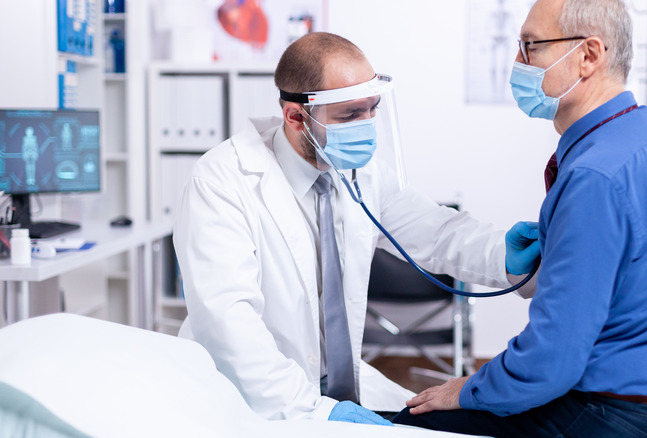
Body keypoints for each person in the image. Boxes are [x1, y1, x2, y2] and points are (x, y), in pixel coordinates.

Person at [394, 0, 647, 437]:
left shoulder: (595, 174)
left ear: (589, 55)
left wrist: (467, 389)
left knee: (411, 423)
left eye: (530, 46)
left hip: (628, 419)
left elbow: (551, 361)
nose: (516, 62)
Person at [173, 32, 539, 426]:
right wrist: (316, 412)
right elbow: (230, 325)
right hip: (250, 396)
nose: (366, 127)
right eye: (349, 115)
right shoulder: (222, 181)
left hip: (332, 386)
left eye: (372, 109)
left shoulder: (361, 174)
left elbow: (435, 231)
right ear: (296, 117)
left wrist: (504, 254)